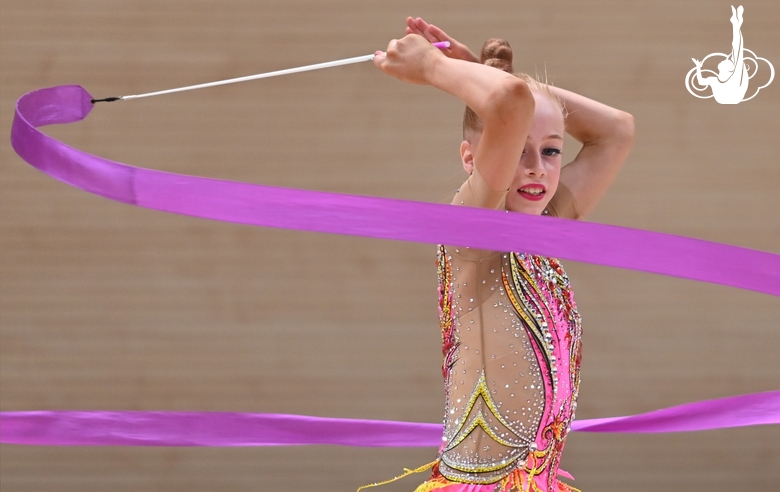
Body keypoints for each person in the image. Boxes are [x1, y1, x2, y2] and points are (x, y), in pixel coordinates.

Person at [370, 17, 635, 492]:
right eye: (517, 150)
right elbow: (510, 105)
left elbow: (616, 130)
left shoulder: (546, 228)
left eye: (551, 151)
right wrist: (433, 66)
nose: (536, 168)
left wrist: (488, 78)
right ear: (472, 158)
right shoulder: (474, 232)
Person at [692, 5, 749, 104]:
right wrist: (698, 67)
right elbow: (701, 82)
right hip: (730, 97)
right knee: (737, 51)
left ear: (729, 69)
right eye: (728, 61)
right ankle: (736, 23)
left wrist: (698, 67)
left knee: (737, 51)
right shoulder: (716, 80)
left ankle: (736, 23)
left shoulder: (731, 78)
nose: (724, 59)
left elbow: (738, 50)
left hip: (732, 96)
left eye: (727, 61)